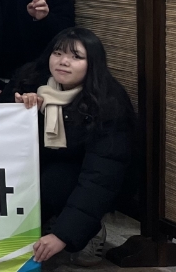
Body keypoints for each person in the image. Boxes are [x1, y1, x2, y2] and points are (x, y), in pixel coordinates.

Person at [9, 28, 135, 266]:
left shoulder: (108, 102)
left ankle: (89, 229)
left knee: (55, 181)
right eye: (58, 53)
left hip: (80, 178)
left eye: (76, 57)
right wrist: (19, 112)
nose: (64, 61)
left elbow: (101, 177)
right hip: (37, 169)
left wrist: (63, 235)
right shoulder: (31, 80)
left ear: (93, 63)